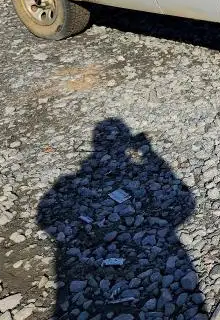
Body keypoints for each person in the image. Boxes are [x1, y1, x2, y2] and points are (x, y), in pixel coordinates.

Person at [37, 118, 207, 318]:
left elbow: (44, 217)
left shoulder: (69, 181)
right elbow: (186, 204)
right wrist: (149, 154)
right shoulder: (75, 180)